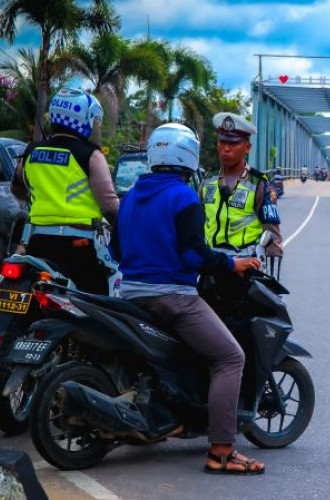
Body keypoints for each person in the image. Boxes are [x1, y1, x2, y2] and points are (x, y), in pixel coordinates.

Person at [111, 123, 266, 475]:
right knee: (230, 357)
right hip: (173, 296)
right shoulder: (184, 197)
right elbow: (194, 255)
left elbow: (116, 250)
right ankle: (222, 451)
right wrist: (232, 263)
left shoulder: (131, 195)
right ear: (189, 156)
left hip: (129, 293)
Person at [10, 88, 119, 294]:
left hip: (37, 241)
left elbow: (17, 187)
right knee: (98, 301)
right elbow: (110, 206)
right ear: (84, 119)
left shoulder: (32, 151)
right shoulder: (90, 155)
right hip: (78, 244)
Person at [200, 112, 282, 259]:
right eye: (222, 142)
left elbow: (272, 235)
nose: (226, 148)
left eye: (233, 143)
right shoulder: (207, 180)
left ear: (248, 147)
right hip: (210, 263)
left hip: (246, 266)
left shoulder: (259, 184)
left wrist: (271, 275)